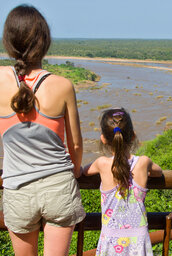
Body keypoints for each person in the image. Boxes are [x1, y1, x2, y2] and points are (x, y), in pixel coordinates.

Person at [0, 5, 85, 256]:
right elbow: (76, 146)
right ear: (44, 42)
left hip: (18, 189)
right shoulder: (63, 85)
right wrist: (77, 170)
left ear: (8, 41)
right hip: (59, 187)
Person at [83, 108, 162, 256]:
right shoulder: (144, 162)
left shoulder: (101, 164)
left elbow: (84, 172)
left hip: (111, 240)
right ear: (133, 136)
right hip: (138, 240)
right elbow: (159, 172)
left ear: (103, 139)